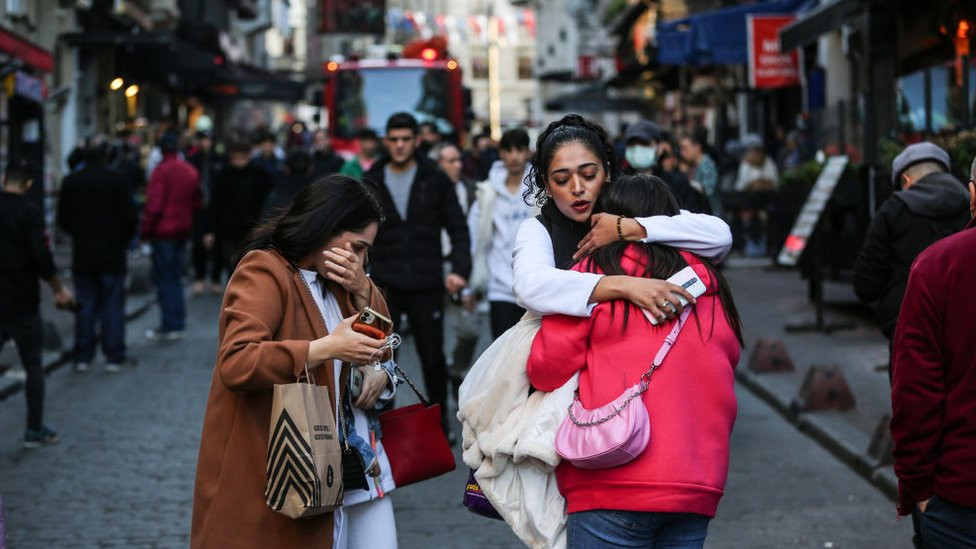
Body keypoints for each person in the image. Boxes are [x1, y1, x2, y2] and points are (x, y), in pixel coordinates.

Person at [527, 173, 742, 548]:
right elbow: (727, 359)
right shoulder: (709, 285)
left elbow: (545, 370)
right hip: (696, 486)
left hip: (610, 482)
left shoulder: (593, 279)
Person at [191, 176, 393, 549]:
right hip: (271, 466)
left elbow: (382, 346)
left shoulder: (338, 283)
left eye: (366, 252)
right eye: (357, 247)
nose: (360, 260)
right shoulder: (265, 270)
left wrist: (363, 288)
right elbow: (237, 360)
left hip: (328, 465)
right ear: (326, 227)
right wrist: (324, 349)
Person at [513, 114, 733, 324]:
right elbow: (530, 286)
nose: (577, 188)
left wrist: (627, 227)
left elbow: (719, 236)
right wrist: (626, 286)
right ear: (547, 185)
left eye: (589, 175)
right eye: (562, 179)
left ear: (607, 172)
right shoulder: (538, 228)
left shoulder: (629, 205)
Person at [362, 112, 471, 439]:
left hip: (426, 281)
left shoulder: (434, 178)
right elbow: (357, 228)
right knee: (381, 358)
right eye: (394, 139)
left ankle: (438, 426)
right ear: (386, 141)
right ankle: (384, 428)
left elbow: (458, 227)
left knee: (432, 357)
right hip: (384, 285)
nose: (399, 145)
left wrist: (460, 270)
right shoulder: (373, 178)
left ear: (416, 141)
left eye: (405, 139)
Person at [889, 158, 976, 548]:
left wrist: (917, 487)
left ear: (972, 193)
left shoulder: (940, 265)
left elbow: (915, 392)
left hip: (961, 496)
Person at [853, 141, 969, 380]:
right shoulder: (970, 204)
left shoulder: (892, 210)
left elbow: (866, 283)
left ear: (906, 179)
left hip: (907, 327)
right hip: (966, 323)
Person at [0, 160, 75, 447]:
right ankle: (34, 428)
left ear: (4, 178)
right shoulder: (29, 212)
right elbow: (40, 256)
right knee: (33, 363)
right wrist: (58, 288)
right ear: (29, 183)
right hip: (21, 296)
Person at [57, 136, 138, 372]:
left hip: (83, 252)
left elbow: (63, 219)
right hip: (112, 252)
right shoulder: (117, 180)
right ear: (106, 155)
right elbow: (130, 217)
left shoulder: (72, 181)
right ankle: (113, 354)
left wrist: (79, 232)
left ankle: (83, 355)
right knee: (112, 304)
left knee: (85, 304)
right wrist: (123, 238)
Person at [467, 127, 535, 338]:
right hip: (498, 285)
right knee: (502, 349)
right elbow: (475, 238)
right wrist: (472, 283)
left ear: (527, 152)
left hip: (533, 283)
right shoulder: (487, 191)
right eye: (509, 150)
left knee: (531, 349)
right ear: (501, 153)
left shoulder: (539, 189)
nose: (514, 157)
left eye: (519, 150)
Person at [430, 141, 481, 401]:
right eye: (450, 161)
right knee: (432, 332)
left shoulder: (473, 190)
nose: (457, 165)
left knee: (469, 329)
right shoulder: (427, 190)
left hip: (461, 265)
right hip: (432, 265)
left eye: (458, 159)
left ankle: (455, 368)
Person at [140, 132, 201, 341]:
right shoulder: (189, 170)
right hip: (182, 230)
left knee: (166, 279)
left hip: (163, 232)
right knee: (175, 277)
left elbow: (154, 206)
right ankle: (177, 320)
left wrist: (145, 232)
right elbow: (196, 201)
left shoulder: (161, 172)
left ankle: (170, 323)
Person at [206, 140, 274, 280]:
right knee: (233, 264)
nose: (238, 161)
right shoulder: (224, 175)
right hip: (229, 228)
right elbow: (215, 204)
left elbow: (267, 202)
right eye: (235, 157)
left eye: (242, 157)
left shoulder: (260, 175)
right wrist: (211, 229)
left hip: (253, 227)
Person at [623, 120, 708, 214]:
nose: (637, 149)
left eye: (643, 143)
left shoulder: (677, 185)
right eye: (632, 144)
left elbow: (690, 217)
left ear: (659, 148)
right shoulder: (619, 184)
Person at [187, 130, 224, 295]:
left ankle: (215, 279)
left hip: (217, 207)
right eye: (203, 140)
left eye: (208, 140)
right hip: (198, 207)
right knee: (198, 244)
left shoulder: (219, 160)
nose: (205, 143)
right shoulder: (193, 160)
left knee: (218, 244)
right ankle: (200, 278)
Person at [680, 131, 721, 216]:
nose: (683, 153)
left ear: (697, 147)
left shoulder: (707, 165)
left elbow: (708, 191)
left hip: (711, 216)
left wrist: (686, 180)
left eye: (685, 148)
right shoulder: (693, 166)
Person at [263, 149, 314, 215]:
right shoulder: (316, 194)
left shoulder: (276, 194)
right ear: (310, 169)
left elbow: (265, 217)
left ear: (286, 169)